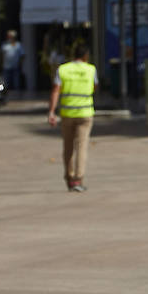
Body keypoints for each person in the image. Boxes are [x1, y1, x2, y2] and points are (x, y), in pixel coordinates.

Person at [47, 42, 98, 192]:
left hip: (67, 114)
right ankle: (78, 179)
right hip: (85, 113)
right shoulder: (91, 69)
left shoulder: (63, 69)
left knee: (68, 147)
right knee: (82, 147)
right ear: (86, 56)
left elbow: (56, 90)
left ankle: (69, 178)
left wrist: (51, 111)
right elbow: (95, 87)